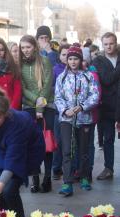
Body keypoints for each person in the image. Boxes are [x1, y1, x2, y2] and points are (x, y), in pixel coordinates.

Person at [0, 88, 45, 217]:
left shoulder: (17, 125)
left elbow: (12, 164)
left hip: (28, 150)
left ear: (5, 114)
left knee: (8, 190)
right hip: (3, 148)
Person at [54, 46, 99, 196]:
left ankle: (85, 177)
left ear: (81, 60)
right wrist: (64, 110)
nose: (73, 62)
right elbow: (58, 97)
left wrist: (82, 107)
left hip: (84, 119)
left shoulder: (88, 76)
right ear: (67, 60)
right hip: (66, 120)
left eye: (76, 59)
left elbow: (94, 96)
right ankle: (67, 182)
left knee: (83, 150)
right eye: (70, 59)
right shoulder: (62, 77)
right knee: (67, 150)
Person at [19, 35, 54, 193]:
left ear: (34, 46)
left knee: (46, 143)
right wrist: (36, 99)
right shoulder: (19, 65)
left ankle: (47, 178)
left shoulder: (44, 61)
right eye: (23, 47)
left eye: (28, 47)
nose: (25, 50)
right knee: (31, 144)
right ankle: (35, 178)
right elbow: (23, 88)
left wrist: (41, 105)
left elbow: (47, 84)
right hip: (29, 106)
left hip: (46, 105)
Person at [92, 32, 120, 180]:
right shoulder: (98, 61)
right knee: (108, 138)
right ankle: (108, 168)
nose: (109, 46)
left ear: (116, 43)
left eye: (112, 43)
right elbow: (107, 79)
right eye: (106, 44)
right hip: (107, 105)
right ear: (103, 45)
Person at [52, 44, 70, 180]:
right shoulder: (55, 70)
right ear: (59, 56)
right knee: (58, 140)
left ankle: (70, 168)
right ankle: (56, 168)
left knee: (70, 142)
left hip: (73, 111)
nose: (66, 57)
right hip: (59, 110)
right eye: (63, 54)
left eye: (68, 55)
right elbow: (51, 88)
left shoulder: (78, 70)